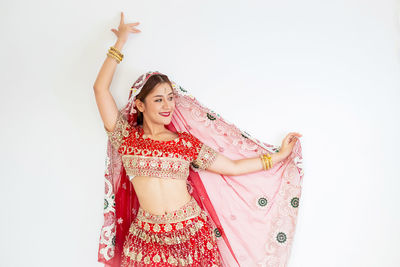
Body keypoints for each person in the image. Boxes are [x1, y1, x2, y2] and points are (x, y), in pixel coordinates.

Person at [94, 12, 304, 267]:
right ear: (140, 104)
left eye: (170, 98)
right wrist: (120, 42)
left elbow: (233, 168)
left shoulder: (184, 143)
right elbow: (100, 89)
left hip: (191, 236)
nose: (167, 105)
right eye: (158, 99)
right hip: (146, 239)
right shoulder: (126, 138)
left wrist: (279, 156)